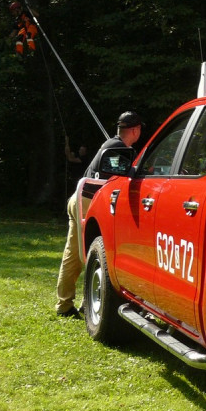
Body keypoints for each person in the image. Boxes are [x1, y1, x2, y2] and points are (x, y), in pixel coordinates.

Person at [55, 111, 144, 318]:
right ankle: (76, 304)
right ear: (135, 129)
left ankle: (67, 304)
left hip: (80, 199)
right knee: (91, 255)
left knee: (75, 255)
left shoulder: (114, 146)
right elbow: (129, 176)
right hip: (87, 202)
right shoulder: (120, 148)